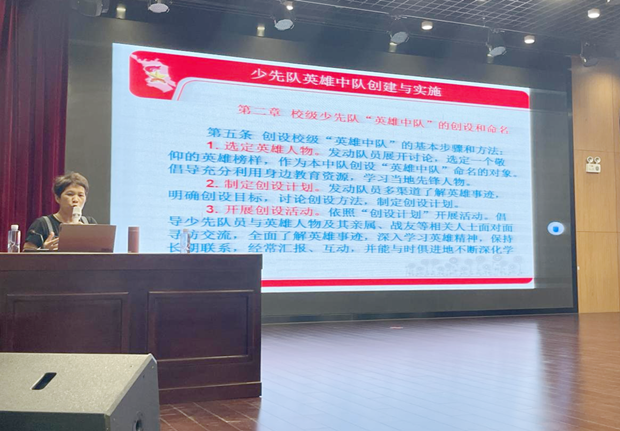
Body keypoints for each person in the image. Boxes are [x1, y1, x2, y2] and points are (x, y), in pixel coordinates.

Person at [24, 172, 97, 251]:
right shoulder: (42, 224)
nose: (76, 200)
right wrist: (44, 250)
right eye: (70, 194)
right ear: (57, 198)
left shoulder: (89, 223)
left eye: (80, 195)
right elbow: (26, 254)